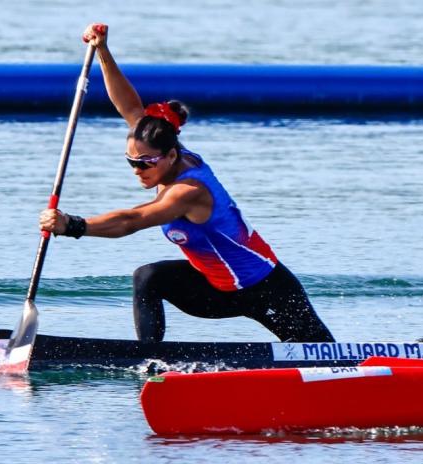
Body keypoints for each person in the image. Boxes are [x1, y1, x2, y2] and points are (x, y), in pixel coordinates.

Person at [39, 23, 335, 343]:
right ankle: (150, 359)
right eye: (131, 162)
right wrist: (103, 52)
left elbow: (133, 220)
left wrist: (73, 225)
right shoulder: (158, 144)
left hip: (265, 289)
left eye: (145, 163)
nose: (137, 170)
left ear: (169, 155)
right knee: (148, 277)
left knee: (331, 359)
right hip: (214, 288)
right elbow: (129, 107)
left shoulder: (188, 192)